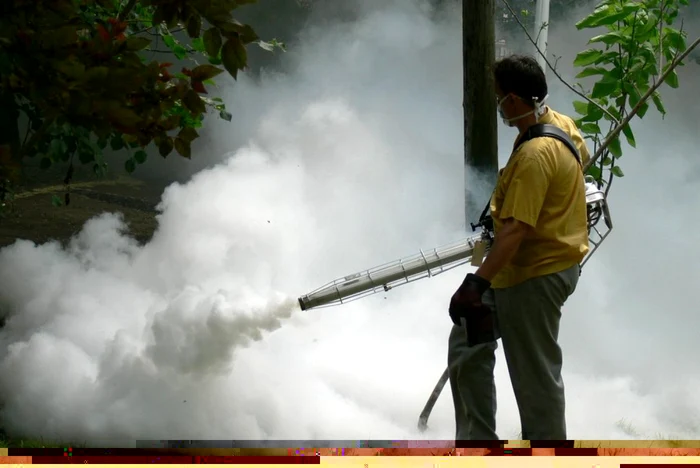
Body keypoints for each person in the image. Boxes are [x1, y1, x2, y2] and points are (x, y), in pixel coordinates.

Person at [447, 54, 590, 441]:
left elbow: (515, 231)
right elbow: (583, 157)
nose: (498, 105)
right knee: (468, 341)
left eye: (498, 97)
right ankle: (477, 444)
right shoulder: (560, 124)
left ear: (512, 100)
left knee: (534, 377)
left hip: (536, 274)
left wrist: (475, 285)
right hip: (514, 268)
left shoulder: (534, 155)